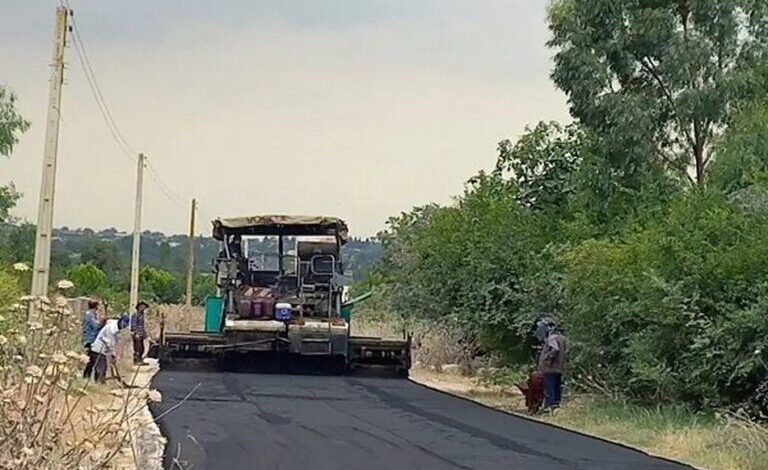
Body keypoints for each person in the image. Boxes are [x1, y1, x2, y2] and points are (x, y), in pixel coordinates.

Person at [535, 318, 568, 409]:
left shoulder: (551, 338)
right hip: (559, 368)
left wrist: (548, 360)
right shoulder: (562, 338)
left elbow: (554, 349)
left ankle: (550, 407)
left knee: (549, 389)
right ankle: (556, 406)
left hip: (549, 369)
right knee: (557, 388)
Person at [91, 314, 129, 383]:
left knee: (103, 367)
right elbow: (109, 343)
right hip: (99, 349)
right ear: (120, 321)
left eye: (125, 326)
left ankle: (100, 382)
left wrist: (112, 354)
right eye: (123, 324)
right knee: (101, 368)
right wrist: (112, 354)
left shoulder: (116, 327)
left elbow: (113, 343)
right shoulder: (111, 329)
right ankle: (99, 383)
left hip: (104, 349)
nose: (123, 327)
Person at [81, 299, 102, 379]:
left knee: (91, 360)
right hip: (90, 339)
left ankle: (87, 376)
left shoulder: (90, 314)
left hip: (90, 338)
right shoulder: (90, 315)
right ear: (96, 306)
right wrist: (102, 323)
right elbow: (95, 326)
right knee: (91, 360)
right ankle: (86, 376)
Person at [131, 301, 149, 365]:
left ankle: (140, 359)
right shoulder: (136, 315)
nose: (143, 308)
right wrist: (136, 333)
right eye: (142, 307)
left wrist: (145, 334)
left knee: (142, 348)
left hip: (141, 333)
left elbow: (142, 326)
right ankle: (136, 360)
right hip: (137, 334)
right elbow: (134, 325)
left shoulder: (142, 315)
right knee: (137, 348)